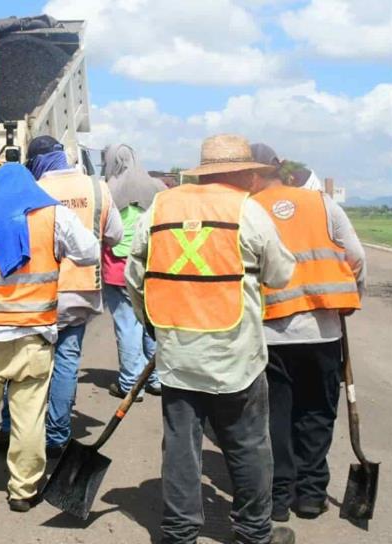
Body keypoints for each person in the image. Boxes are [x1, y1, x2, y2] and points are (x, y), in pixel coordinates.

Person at [125, 134, 297, 544]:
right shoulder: (248, 212)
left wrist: (151, 324)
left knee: (182, 448)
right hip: (236, 354)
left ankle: (179, 532)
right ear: (244, 173)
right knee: (248, 445)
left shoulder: (162, 206)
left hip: (178, 354)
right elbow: (281, 274)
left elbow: (136, 275)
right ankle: (254, 532)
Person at [0, 163, 99, 519]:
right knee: (30, 415)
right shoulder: (54, 216)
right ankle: (24, 491)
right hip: (34, 337)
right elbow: (89, 252)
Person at [250, 143, 366, 523]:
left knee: (275, 417)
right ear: (279, 168)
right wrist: (348, 298)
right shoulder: (322, 203)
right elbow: (356, 257)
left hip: (269, 332)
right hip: (322, 330)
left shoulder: (247, 210)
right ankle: (312, 495)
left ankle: (279, 497)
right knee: (316, 411)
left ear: (250, 172)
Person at [0, 136, 122, 458]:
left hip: (39, 289)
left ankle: (11, 428)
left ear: (35, 161)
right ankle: (57, 435)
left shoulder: (34, 189)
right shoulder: (97, 188)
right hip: (80, 290)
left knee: (21, 359)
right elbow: (115, 236)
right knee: (66, 360)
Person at [101, 143, 167, 401]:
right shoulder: (158, 188)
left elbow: (105, 231)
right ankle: (156, 378)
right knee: (151, 323)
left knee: (128, 324)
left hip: (118, 267)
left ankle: (130, 382)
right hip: (152, 266)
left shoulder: (108, 190)